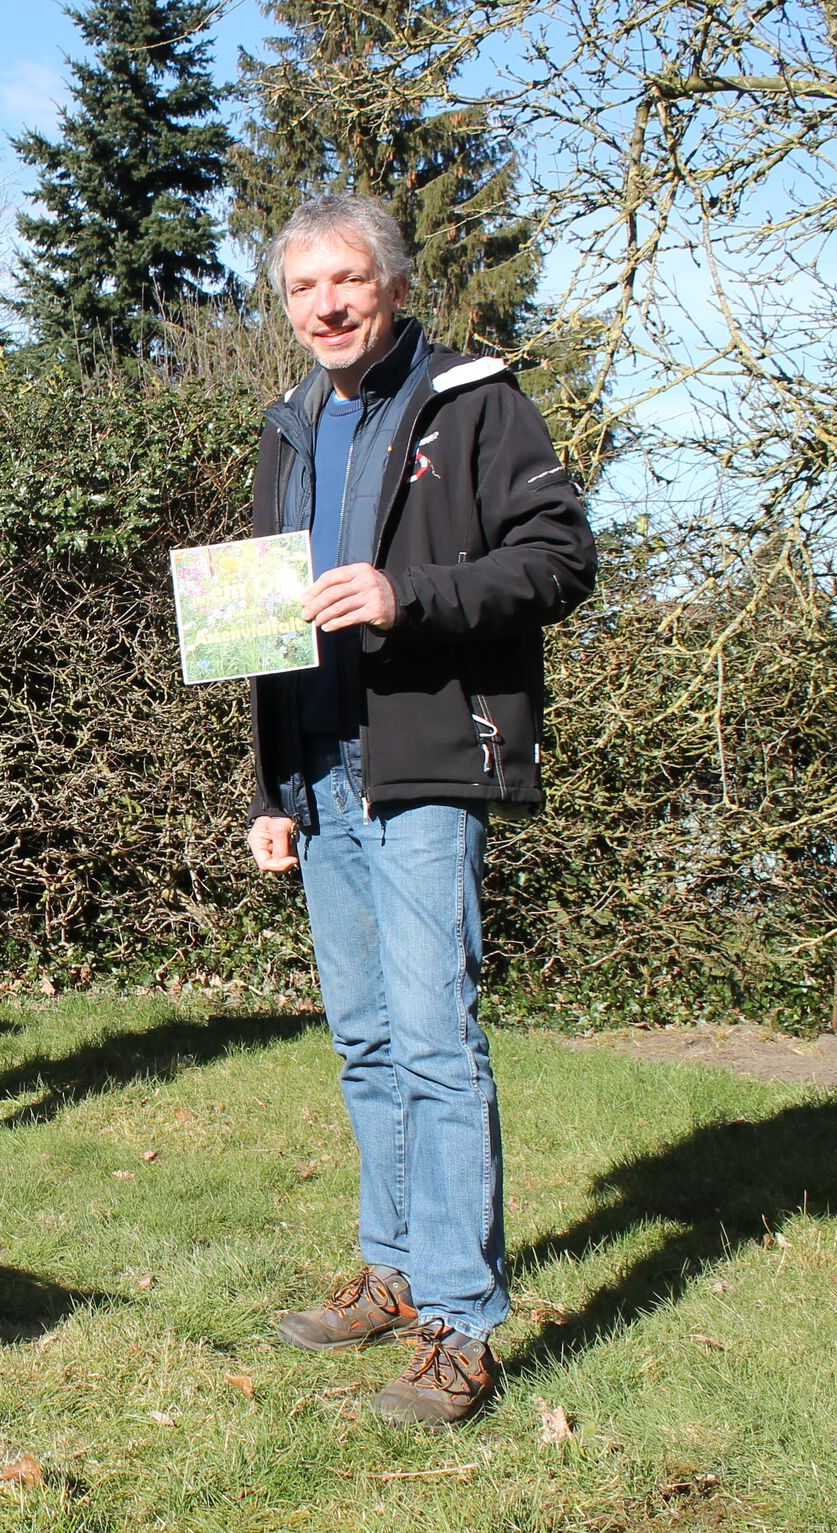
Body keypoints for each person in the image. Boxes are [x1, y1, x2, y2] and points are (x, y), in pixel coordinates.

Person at [244, 196, 597, 1426]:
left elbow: (558, 558)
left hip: (427, 764)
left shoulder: (473, 400)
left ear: (391, 286)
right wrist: (270, 789)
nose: (325, 306)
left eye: (345, 281)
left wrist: (408, 599)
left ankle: (458, 1321)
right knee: (363, 1040)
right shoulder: (285, 431)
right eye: (302, 289)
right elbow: (262, 631)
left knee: (435, 1044)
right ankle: (390, 1271)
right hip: (321, 771)